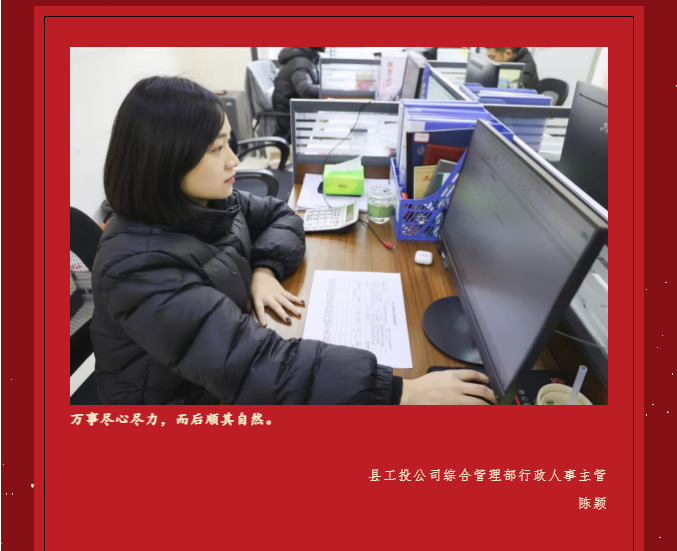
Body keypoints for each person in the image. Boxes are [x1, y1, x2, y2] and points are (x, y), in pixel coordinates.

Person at [91, 76, 497, 406]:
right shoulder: (137, 266)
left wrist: (264, 269)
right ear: (166, 159)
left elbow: (282, 215)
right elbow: (252, 364)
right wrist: (398, 392)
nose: (234, 159)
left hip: (214, 378)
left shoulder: (207, 203)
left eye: (228, 141)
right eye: (216, 148)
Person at [272, 47, 325, 136]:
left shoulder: (307, 58)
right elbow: (306, 90)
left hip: (300, 115)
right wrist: (329, 91)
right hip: (293, 123)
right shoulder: (300, 62)